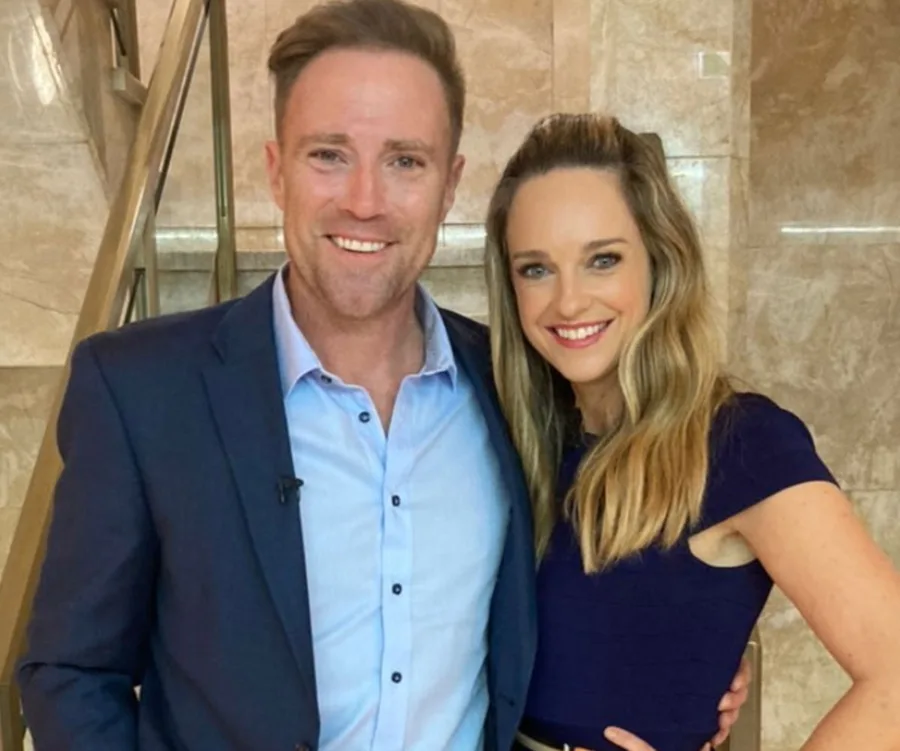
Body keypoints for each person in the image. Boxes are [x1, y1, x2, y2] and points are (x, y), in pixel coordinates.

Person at [17, 2, 747, 750]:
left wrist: (696, 663)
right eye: (329, 154)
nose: (365, 201)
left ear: (450, 182)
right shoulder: (140, 389)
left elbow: (612, 578)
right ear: (275, 170)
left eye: (405, 160)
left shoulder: (525, 386)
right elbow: (70, 670)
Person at [483, 112, 900, 751]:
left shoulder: (742, 442)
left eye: (602, 260)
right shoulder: (527, 436)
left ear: (660, 260)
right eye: (535, 269)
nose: (568, 302)